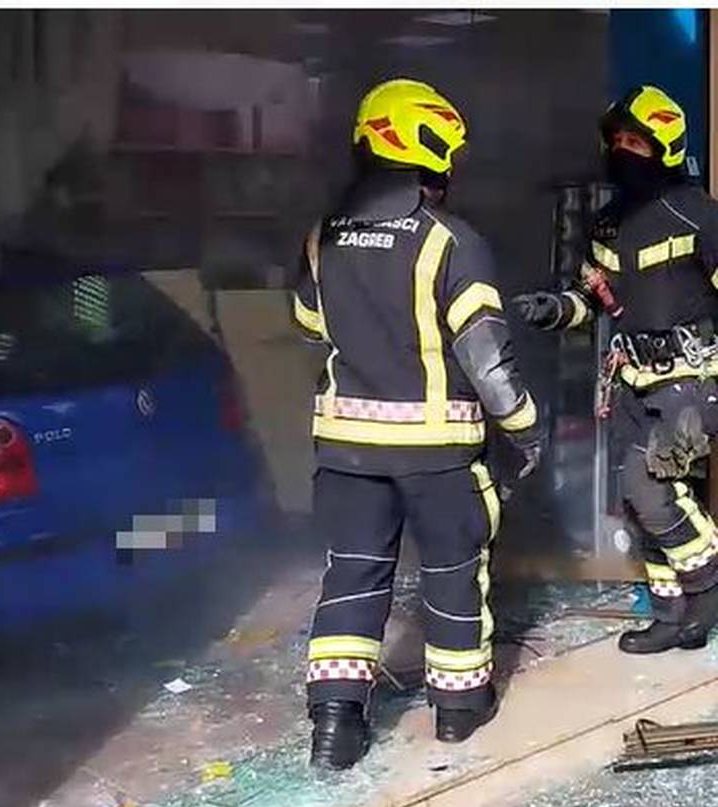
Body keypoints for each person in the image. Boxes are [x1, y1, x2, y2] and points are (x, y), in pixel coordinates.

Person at [291, 79, 544, 770]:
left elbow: (310, 324)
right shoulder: (452, 242)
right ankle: (459, 710)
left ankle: (336, 728)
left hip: (346, 449)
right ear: (431, 152)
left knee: (353, 577)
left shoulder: (323, 237)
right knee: (453, 570)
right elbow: (488, 358)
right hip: (437, 455)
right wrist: (525, 428)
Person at [515, 85, 718, 656]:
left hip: (693, 380)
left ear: (664, 150)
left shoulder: (699, 215)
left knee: (648, 485)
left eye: (637, 142)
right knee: (639, 500)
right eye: (617, 141)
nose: (623, 152)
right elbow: (593, 297)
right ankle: (675, 615)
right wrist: (555, 309)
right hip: (630, 377)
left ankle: (707, 585)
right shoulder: (606, 224)